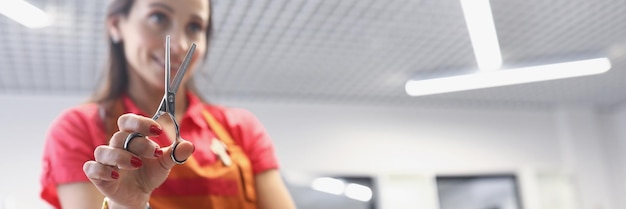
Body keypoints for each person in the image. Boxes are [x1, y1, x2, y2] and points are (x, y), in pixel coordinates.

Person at [39, 0, 296, 208]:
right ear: (117, 24)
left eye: (195, 26)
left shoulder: (241, 127)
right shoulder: (78, 128)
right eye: (158, 17)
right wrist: (128, 206)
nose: (180, 45)